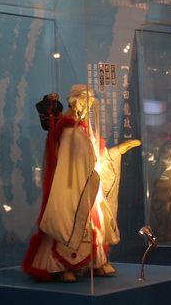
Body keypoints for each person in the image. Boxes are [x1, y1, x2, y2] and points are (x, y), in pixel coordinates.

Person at [22, 85, 140, 282]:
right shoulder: (66, 127)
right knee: (66, 222)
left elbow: (97, 158)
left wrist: (117, 151)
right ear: (74, 101)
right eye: (84, 102)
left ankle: (96, 262)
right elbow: (66, 159)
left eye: (90, 103)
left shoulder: (85, 129)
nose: (86, 107)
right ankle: (61, 266)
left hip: (88, 183)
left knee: (95, 222)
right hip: (69, 184)